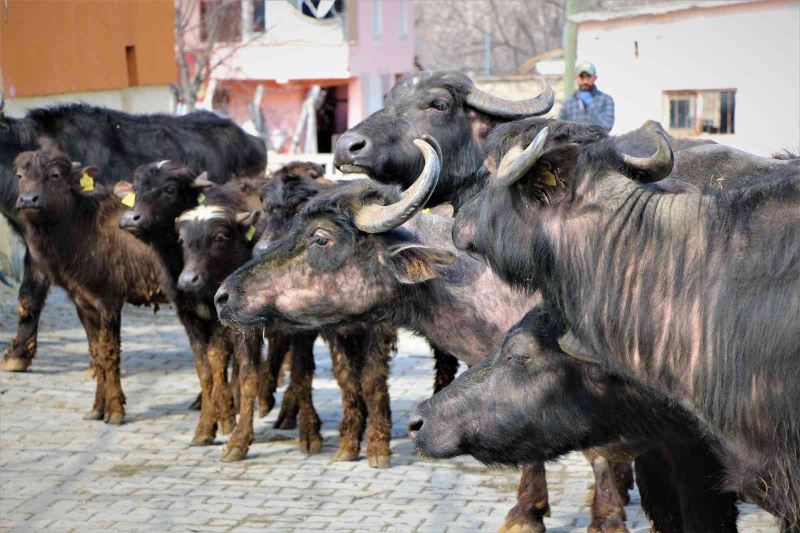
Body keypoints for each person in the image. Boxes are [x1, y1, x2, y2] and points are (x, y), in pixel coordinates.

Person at [559, 62, 615, 131]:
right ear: (576, 78)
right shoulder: (568, 102)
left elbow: (607, 125)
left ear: (595, 78)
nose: (585, 81)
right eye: (582, 77)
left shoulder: (606, 100)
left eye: (588, 77)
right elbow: (560, 129)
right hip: (574, 141)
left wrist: (591, 104)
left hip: (598, 141)